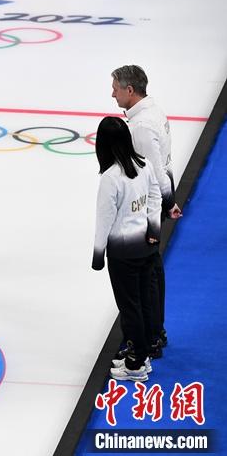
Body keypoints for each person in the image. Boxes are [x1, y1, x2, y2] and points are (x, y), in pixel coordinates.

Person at [111, 65, 182, 357]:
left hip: (149, 202)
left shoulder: (140, 126)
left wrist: (168, 203)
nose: (112, 94)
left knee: (144, 273)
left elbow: (154, 172)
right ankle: (154, 332)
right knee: (150, 269)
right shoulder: (153, 110)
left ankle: (149, 338)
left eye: (115, 88)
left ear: (130, 90)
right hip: (156, 195)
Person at [92, 116, 162, 382]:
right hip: (146, 246)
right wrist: (154, 230)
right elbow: (154, 196)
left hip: (123, 252)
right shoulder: (143, 164)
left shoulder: (111, 177)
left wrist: (98, 253)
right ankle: (141, 352)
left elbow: (105, 217)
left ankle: (135, 363)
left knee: (130, 305)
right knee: (144, 301)